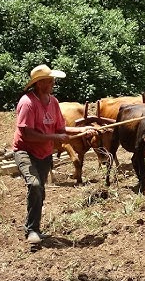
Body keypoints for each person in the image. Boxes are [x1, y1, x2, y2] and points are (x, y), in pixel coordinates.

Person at [12, 64, 95, 245]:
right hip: (25, 151)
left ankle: (35, 228)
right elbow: (27, 134)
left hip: (44, 153)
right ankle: (32, 230)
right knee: (34, 185)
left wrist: (83, 129)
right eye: (50, 80)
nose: (53, 83)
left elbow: (60, 128)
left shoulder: (54, 102)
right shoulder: (27, 103)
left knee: (39, 191)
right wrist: (55, 136)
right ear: (40, 83)